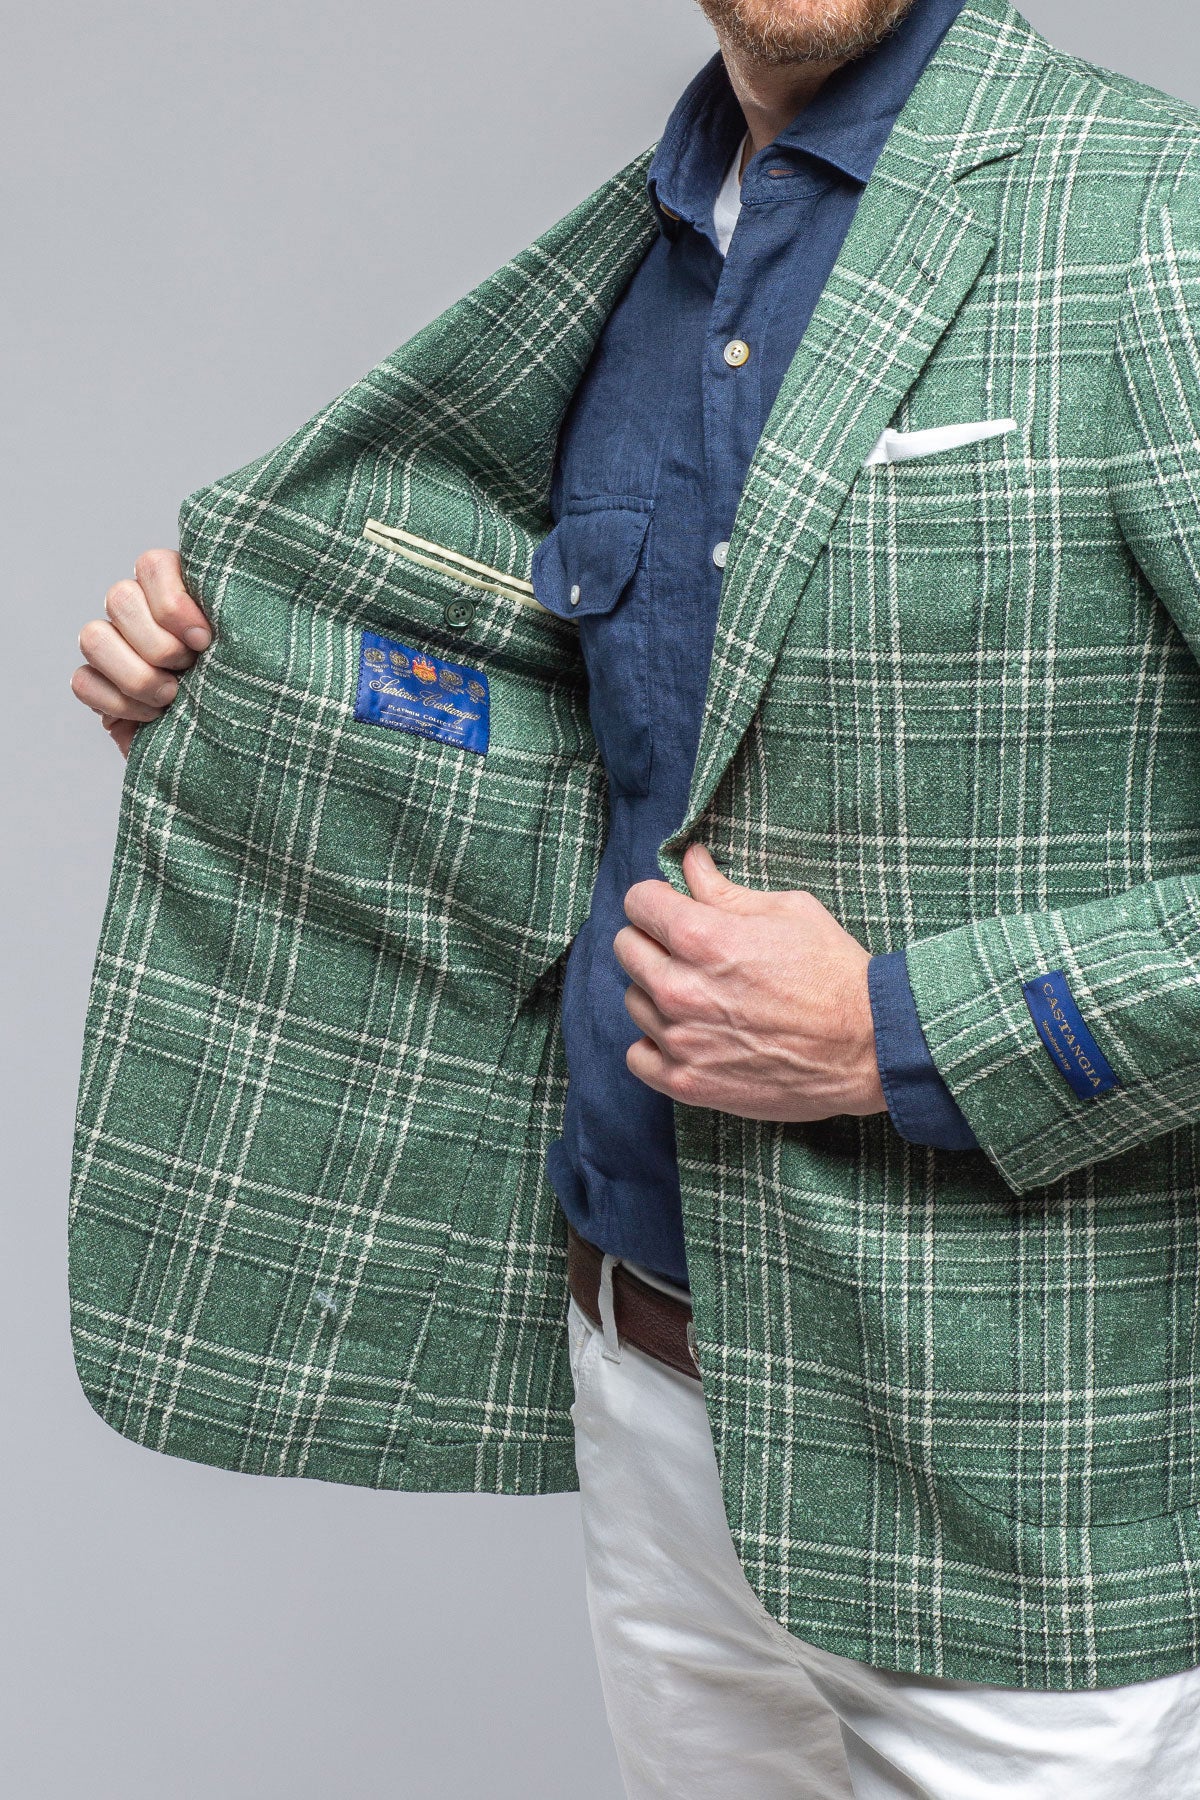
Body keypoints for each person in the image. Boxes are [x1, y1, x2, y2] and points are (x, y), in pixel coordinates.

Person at [68, 0, 1200, 1792]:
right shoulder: (648, 260)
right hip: (650, 1384)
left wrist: (896, 1034)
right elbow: (584, 759)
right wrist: (240, 705)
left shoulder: (1153, 218)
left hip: (1021, 1481)